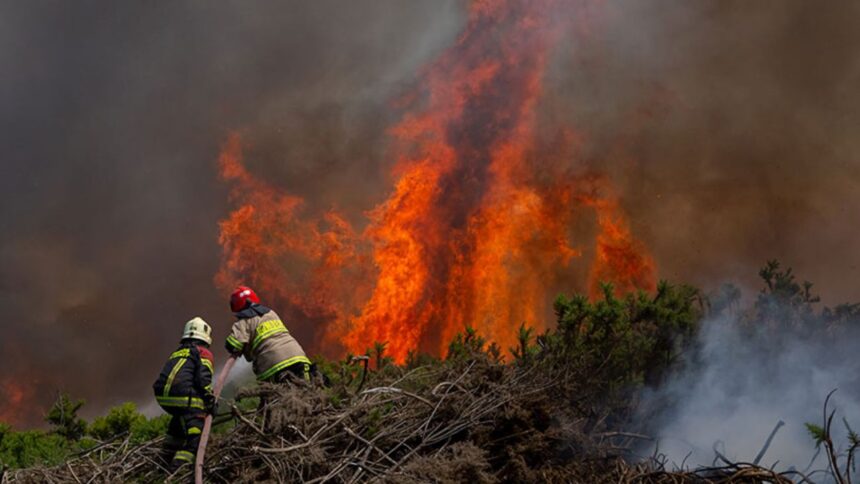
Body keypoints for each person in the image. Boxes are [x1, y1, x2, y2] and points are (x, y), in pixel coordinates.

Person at [152, 317, 216, 471]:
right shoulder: (204, 353)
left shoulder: (178, 352)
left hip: (163, 397)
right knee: (196, 437)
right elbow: (203, 380)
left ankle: (162, 462)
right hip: (181, 397)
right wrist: (210, 401)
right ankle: (177, 471)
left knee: (180, 421)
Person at [224, 286, 311, 384]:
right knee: (307, 391)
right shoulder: (271, 313)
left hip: (272, 365)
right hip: (298, 357)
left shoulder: (243, 323)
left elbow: (233, 345)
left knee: (276, 397)